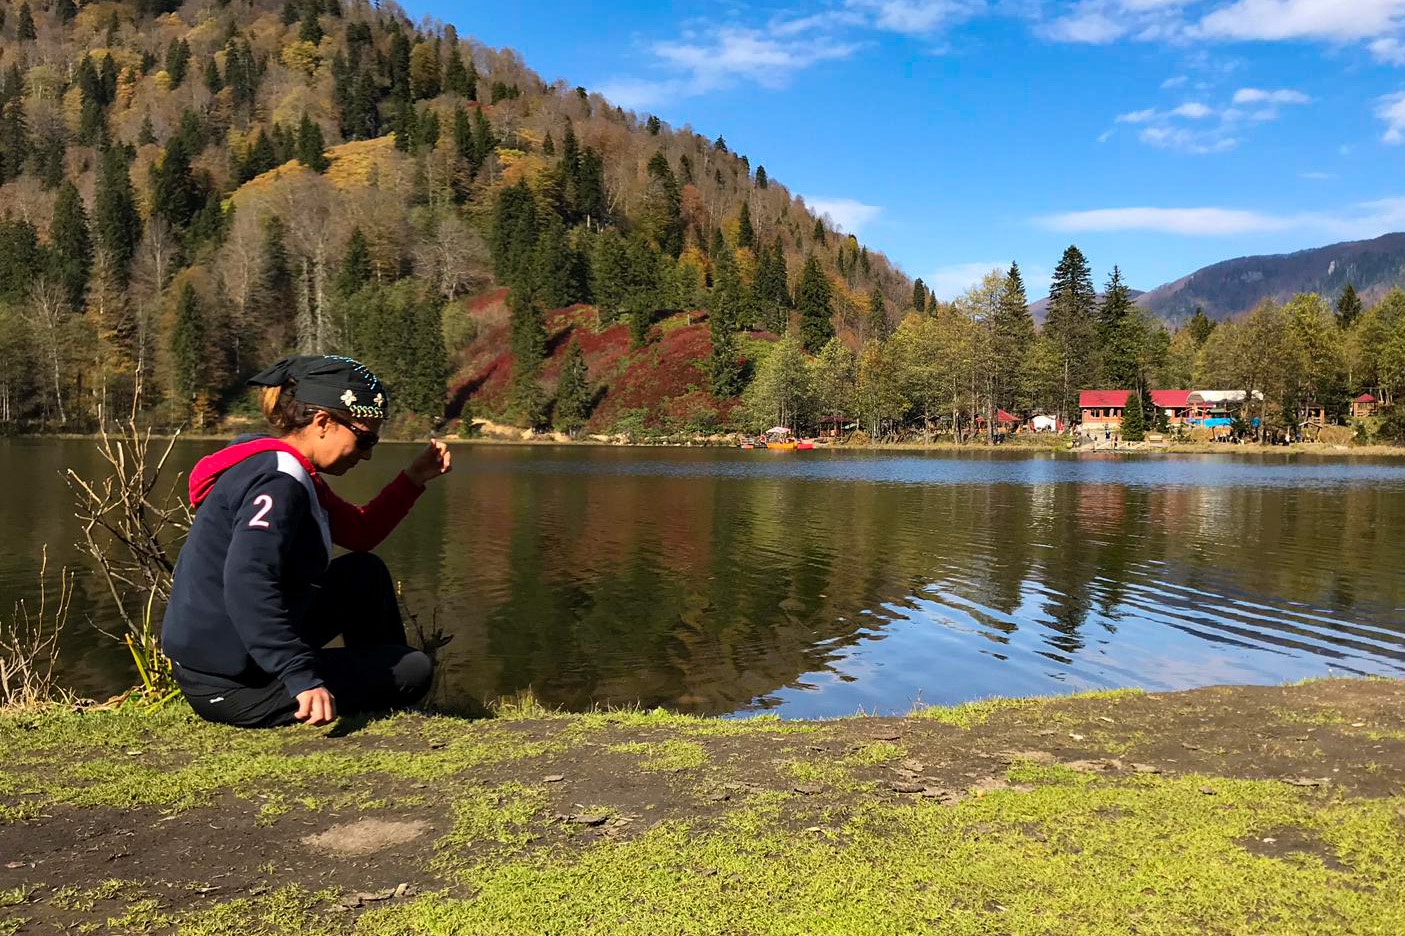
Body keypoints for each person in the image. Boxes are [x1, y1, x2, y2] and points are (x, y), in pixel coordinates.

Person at [162, 355, 452, 729]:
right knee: (415, 670)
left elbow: (361, 533)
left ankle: (377, 681)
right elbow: (247, 582)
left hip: (229, 651)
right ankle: (377, 687)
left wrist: (414, 478)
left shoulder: (283, 464)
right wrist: (301, 677)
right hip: (233, 684)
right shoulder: (278, 482)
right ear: (323, 423)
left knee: (363, 573)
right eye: (364, 439)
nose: (367, 454)